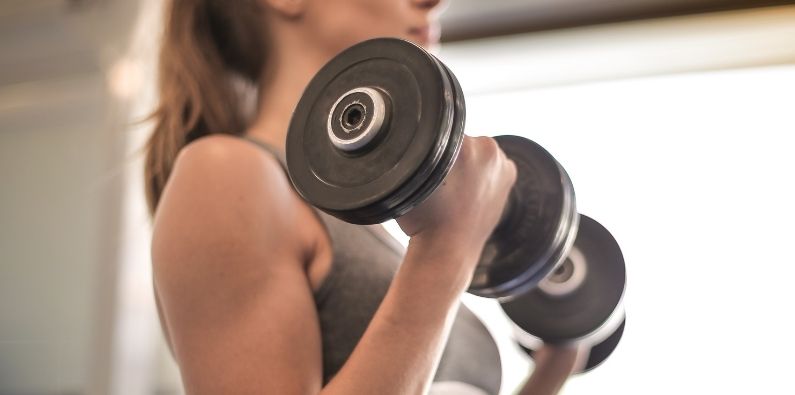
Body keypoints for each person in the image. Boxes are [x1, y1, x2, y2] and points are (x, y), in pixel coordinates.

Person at [145, 0, 585, 394]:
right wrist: (448, 248)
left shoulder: (381, 230)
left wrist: (552, 372)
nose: (435, 2)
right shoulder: (225, 174)